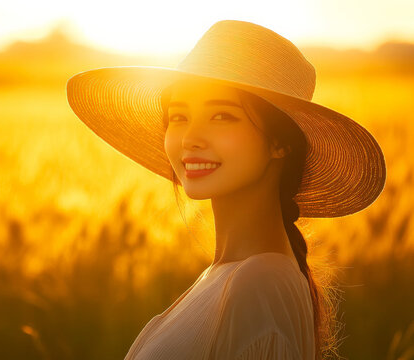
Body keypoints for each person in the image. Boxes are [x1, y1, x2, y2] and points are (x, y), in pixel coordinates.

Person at [66, 20, 386, 359]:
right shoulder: (225, 276)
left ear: (280, 142)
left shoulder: (260, 284)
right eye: (178, 117)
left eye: (222, 116)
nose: (191, 139)